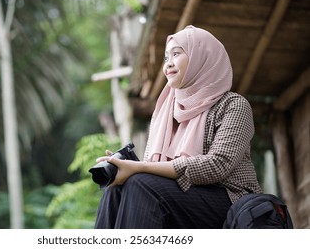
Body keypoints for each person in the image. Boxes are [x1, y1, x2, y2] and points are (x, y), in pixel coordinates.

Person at [94, 25, 262, 229]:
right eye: (166, 58)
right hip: (180, 197)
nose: (168, 64)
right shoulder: (165, 110)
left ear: (202, 57)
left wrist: (139, 168)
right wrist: (126, 167)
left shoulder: (234, 105)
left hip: (230, 200)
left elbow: (217, 166)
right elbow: (152, 166)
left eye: (176, 54)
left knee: (141, 183)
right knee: (115, 188)